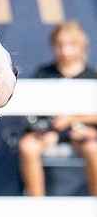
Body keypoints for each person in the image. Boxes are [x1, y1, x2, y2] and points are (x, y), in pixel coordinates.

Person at [19, 20, 97, 196]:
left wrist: (74, 119)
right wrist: (50, 127)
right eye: (60, 45)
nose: (65, 51)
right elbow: (32, 110)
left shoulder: (92, 76)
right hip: (49, 131)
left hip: (83, 134)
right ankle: (37, 209)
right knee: (27, 146)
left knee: (94, 148)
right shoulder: (44, 74)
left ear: (82, 47)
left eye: (71, 45)